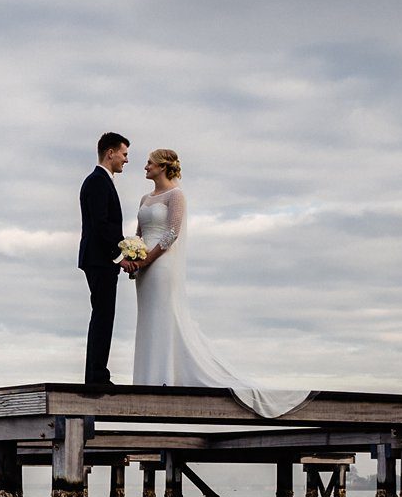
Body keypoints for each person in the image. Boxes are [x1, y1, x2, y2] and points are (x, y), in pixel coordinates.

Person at [127, 147, 310, 418]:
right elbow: (139, 233)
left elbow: (172, 233)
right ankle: (146, 382)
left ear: (163, 167)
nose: (145, 167)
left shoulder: (176, 195)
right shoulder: (145, 197)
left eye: (150, 163)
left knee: (165, 316)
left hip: (162, 265)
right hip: (144, 271)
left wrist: (148, 259)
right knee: (149, 319)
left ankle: (165, 380)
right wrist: (134, 256)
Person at [77, 132, 129, 387]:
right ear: (110, 153)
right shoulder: (98, 182)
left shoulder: (99, 181)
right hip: (100, 260)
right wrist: (119, 257)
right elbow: (100, 225)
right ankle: (97, 376)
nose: (126, 160)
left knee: (102, 315)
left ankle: (95, 374)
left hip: (98, 258)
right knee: (103, 315)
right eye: (124, 154)